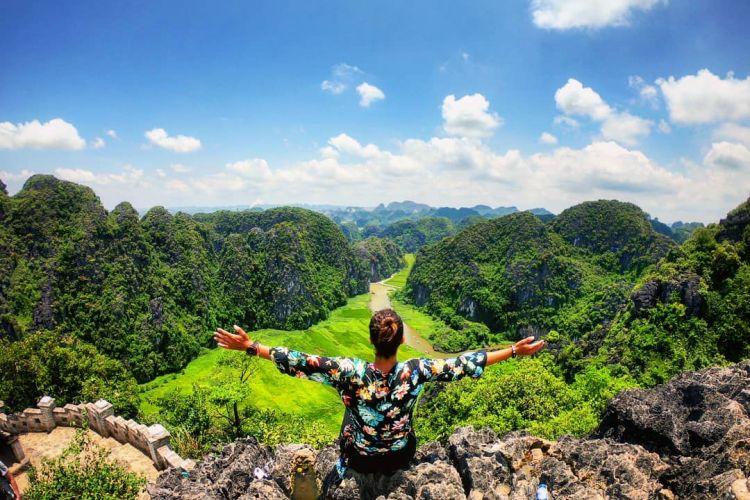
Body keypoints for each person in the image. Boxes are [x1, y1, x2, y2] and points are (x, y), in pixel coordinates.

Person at [214, 308, 544, 490]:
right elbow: (464, 363)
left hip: (360, 458)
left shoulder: (350, 372)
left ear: (372, 340)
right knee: (371, 413)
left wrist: (251, 346)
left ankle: (343, 467)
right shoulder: (416, 371)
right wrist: (514, 350)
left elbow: (301, 360)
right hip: (400, 455)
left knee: (351, 410)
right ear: (400, 341)